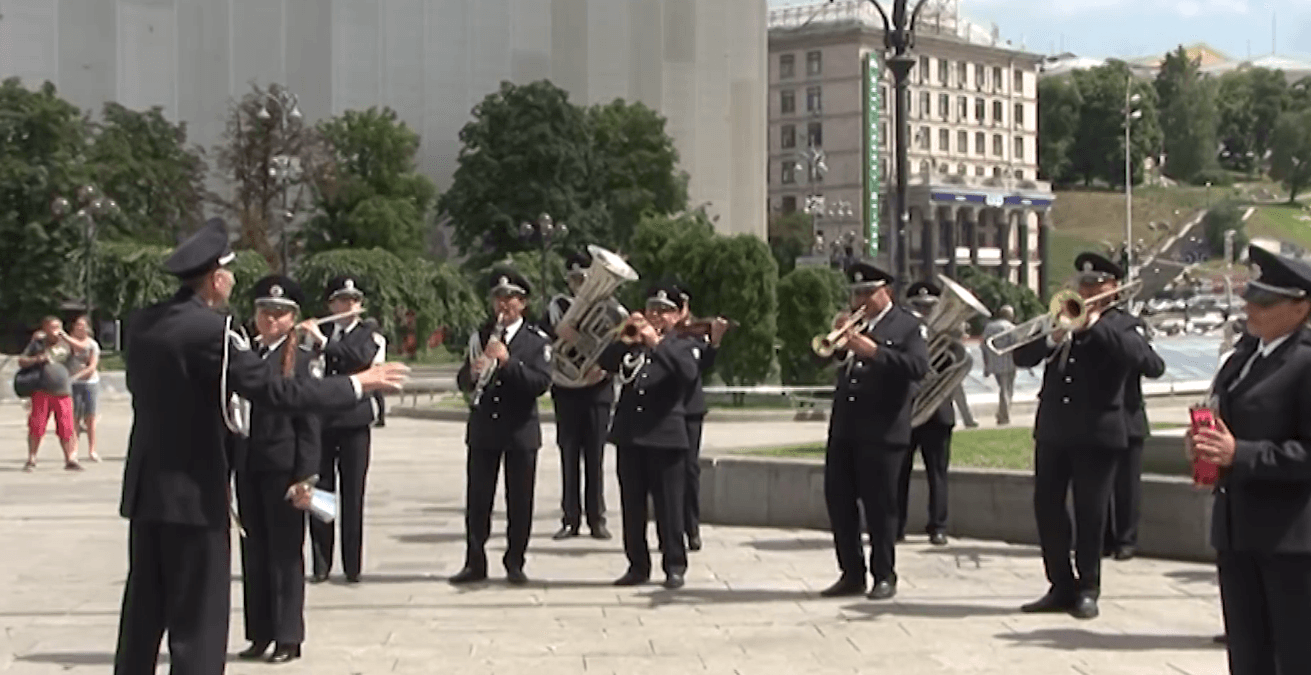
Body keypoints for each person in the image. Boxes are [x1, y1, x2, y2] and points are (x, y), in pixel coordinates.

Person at [113, 218, 406, 675]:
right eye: (229, 273)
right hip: (195, 492)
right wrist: (357, 384)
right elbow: (277, 392)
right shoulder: (214, 332)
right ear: (216, 279)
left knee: (143, 614)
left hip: (147, 490)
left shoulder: (144, 324)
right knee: (197, 624)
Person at [1013, 252, 1158, 620]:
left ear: (1114, 288)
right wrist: (1052, 338)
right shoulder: (1060, 317)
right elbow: (1021, 358)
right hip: (1054, 429)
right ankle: (1060, 584)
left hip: (1097, 433)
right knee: (1047, 508)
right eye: (1084, 284)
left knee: (1090, 513)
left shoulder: (1124, 325)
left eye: (1096, 284)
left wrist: (1094, 325)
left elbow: (1151, 364)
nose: (1088, 290)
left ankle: (1089, 587)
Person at [1189, 245, 1311, 675]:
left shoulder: (1305, 362)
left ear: (1301, 307)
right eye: (1250, 297)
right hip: (1238, 530)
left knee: (1295, 655)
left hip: (1291, 540)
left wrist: (1239, 453)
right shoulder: (1244, 358)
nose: (1250, 308)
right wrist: (1204, 448)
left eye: (1265, 301)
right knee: (1247, 654)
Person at [819, 262, 929, 600]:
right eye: (857, 293)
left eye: (869, 292)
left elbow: (918, 367)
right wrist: (840, 342)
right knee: (839, 502)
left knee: (880, 507)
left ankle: (884, 574)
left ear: (887, 292)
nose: (861, 300)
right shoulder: (854, 325)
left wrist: (875, 351)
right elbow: (824, 360)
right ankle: (851, 573)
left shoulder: (908, 325)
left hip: (883, 430)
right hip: (845, 427)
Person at [234, 275, 321, 664]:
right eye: (265, 312)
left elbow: (310, 422)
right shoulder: (245, 356)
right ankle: (260, 632)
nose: (271, 320)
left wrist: (306, 476)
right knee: (254, 552)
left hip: (284, 467)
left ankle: (288, 635)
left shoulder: (300, 360)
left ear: (293, 319)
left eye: (280, 314)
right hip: (249, 464)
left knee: (285, 554)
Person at [450, 269, 553, 585]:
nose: (503, 304)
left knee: (519, 500)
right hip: (485, 429)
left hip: (520, 430)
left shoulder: (536, 340)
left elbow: (540, 383)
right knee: (478, 500)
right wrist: (472, 372)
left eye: (510, 298)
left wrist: (508, 362)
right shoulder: (480, 335)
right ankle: (474, 562)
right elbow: (462, 380)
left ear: (523, 303)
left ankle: (515, 562)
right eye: (498, 298)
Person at [600, 282, 699, 589]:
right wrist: (624, 338)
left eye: (664, 311)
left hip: (665, 436)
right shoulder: (633, 344)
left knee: (669, 506)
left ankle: (674, 564)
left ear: (677, 316)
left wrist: (657, 343)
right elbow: (605, 363)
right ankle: (637, 565)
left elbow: (688, 374)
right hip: (630, 435)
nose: (656, 315)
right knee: (632, 506)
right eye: (652, 309)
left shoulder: (683, 344)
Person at [299, 276, 387, 584]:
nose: (349, 305)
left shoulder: (369, 335)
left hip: (354, 423)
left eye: (354, 300)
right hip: (322, 423)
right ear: (331, 305)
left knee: (353, 494)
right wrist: (306, 339)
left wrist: (324, 344)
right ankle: (321, 562)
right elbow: (303, 367)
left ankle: (352, 565)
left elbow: (359, 359)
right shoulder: (319, 333)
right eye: (342, 300)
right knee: (321, 493)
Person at [543, 251, 614, 541]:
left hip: (597, 390)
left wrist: (604, 367)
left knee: (595, 457)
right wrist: (560, 333)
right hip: (566, 390)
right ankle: (570, 519)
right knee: (569, 455)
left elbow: (618, 343)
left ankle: (597, 519)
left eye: (584, 278)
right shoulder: (558, 306)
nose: (579, 284)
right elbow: (544, 340)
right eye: (574, 279)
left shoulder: (609, 308)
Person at [670, 281, 730, 553]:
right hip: (664, 409)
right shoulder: (659, 332)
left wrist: (714, 341)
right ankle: (669, 528)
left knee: (690, 470)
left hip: (690, 409)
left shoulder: (695, 333)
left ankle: (691, 528)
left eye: (680, 306)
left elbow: (702, 365)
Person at [1103, 312, 1165, 562]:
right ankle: (1104, 539)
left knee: (1127, 485)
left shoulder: (1129, 328)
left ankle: (1126, 539)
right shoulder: (1080, 330)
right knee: (1097, 485)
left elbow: (1155, 367)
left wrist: (1131, 337)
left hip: (1128, 419)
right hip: (1096, 420)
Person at [896, 281, 953, 547]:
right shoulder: (902, 336)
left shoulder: (948, 338)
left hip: (937, 413)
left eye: (929, 307)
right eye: (918, 307)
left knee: (938, 474)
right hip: (906, 411)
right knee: (898, 473)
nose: (923, 312)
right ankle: (896, 526)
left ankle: (938, 527)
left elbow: (955, 368)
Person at [18, 316, 88, 471]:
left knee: (66, 427)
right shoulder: (37, 344)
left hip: (63, 391)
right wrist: (37, 359)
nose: (55, 331)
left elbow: (84, 350)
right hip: (42, 390)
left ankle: (70, 459)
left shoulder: (67, 344)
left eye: (58, 327)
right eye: (52, 327)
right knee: (37, 426)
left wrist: (66, 338)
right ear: (44, 329)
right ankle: (32, 458)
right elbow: (21, 361)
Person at [67, 314, 102, 462]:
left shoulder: (92, 345)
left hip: (90, 384)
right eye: (77, 325)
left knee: (90, 419)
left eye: (82, 325)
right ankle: (73, 451)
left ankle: (92, 450)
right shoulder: (68, 344)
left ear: (88, 328)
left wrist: (75, 377)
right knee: (74, 419)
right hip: (73, 386)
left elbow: (92, 367)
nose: (80, 327)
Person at [981, 305, 1018, 425]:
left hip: (994, 363)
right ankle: (1004, 416)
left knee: (1003, 388)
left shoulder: (989, 327)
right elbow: (1016, 345)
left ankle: (1001, 413)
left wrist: (986, 365)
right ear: (1009, 315)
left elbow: (983, 347)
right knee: (1007, 389)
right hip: (1009, 362)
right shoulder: (1011, 327)